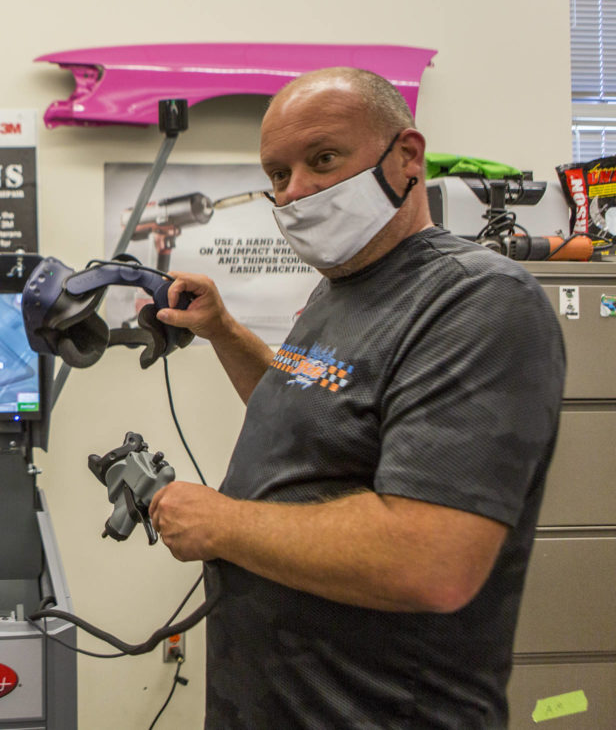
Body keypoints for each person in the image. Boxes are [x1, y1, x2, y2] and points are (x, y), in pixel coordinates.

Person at [148, 67, 565, 728]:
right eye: (279, 175)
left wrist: (222, 524)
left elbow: (432, 559)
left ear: (407, 157)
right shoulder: (339, 290)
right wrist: (223, 331)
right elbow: (312, 410)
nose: (297, 191)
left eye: (322, 159)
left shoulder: (477, 301)